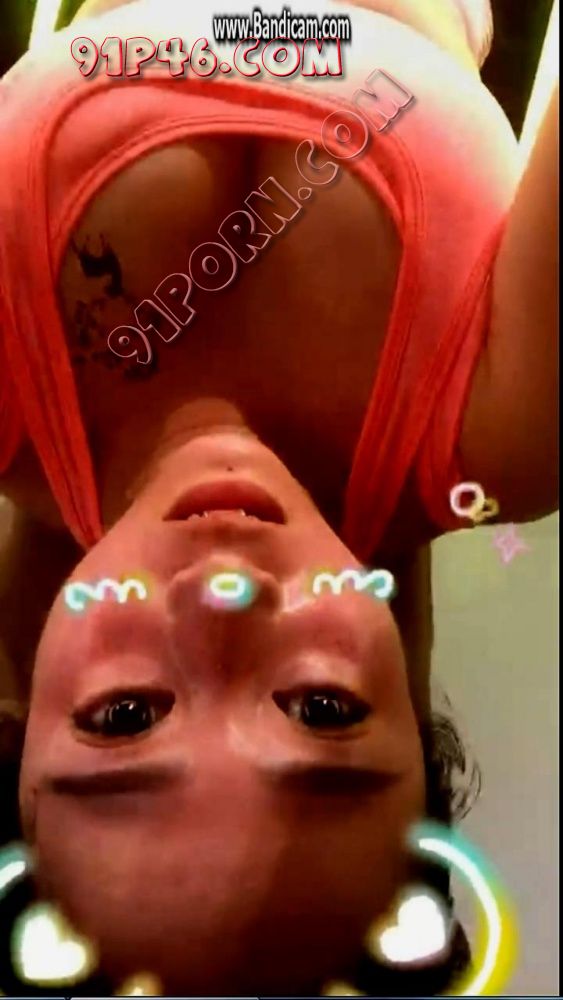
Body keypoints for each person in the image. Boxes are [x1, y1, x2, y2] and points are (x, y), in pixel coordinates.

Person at [0, 0, 558, 993]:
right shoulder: (505, 432)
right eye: (321, 707)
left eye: (125, 716)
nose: (226, 600)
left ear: (17, 736)